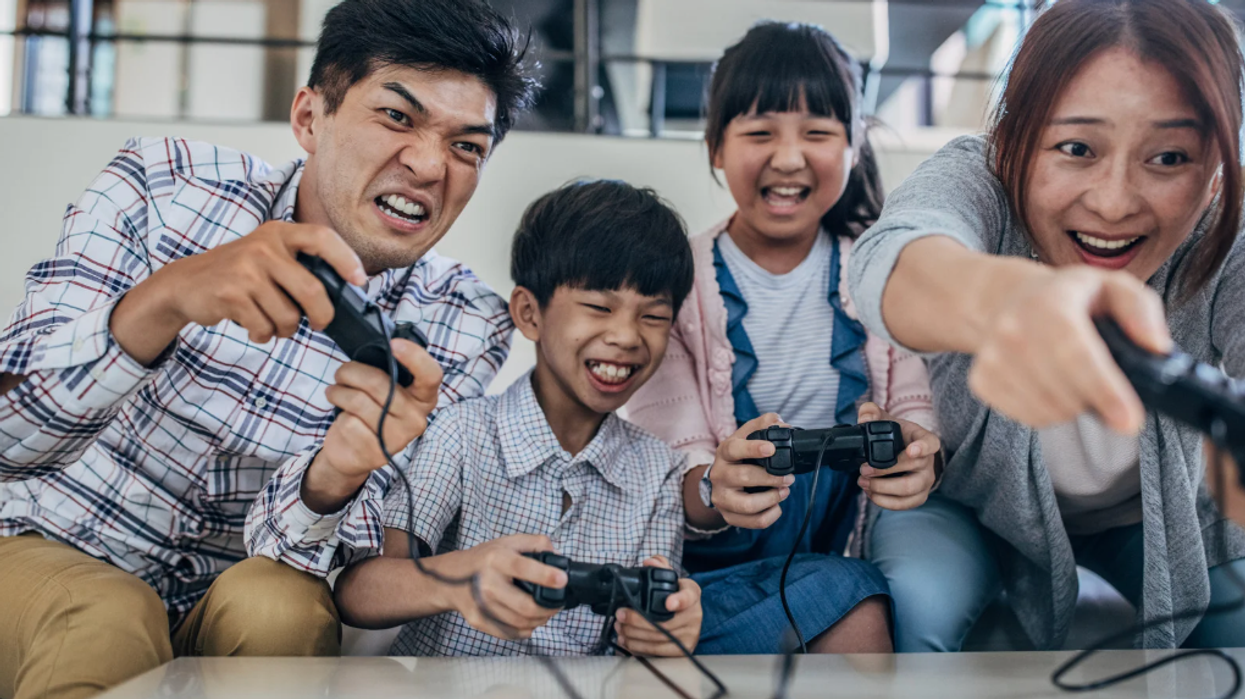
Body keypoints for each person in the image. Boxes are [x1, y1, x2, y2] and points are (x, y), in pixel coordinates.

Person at [0, 1, 536, 696]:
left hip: (233, 587)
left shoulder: (463, 321)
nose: (431, 165)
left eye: (466, 145)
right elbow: (9, 443)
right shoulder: (163, 186)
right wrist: (165, 300)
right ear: (310, 118)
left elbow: (313, 560)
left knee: (280, 608)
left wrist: (337, 472)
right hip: (43, 551)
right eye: (397, 117)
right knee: (105, 611)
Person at [848, 0, 1245, 650]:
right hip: (971, 508)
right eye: (1075, 148)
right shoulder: (974, 176)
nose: (1113, 202)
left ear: (1213, 172)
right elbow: (892, 259)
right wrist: (1004, 301)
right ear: (1012, 139)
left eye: (1169, 157)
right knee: (918, 601)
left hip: (1154, 515)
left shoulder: (1222, 231)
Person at [627, 22, 948, 655]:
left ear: (854, 145)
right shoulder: (677, 279)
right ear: (716, 148)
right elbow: (675, 454)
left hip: (825, 560)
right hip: (694, 568)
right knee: (848, 596)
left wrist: (921, 459)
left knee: (855, 597)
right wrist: (717, 487)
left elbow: (917, 407)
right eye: (759, 131)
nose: (789, 157)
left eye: (819, 133)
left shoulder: (882, 271)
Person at [332, 180, 702, 656]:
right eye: (598, 307)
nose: (627, 336)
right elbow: (358, 591)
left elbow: (645, 635)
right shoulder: (461, 434)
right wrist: (460, 580)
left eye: (654, 316)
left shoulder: (660, 471)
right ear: (529, 313)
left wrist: (666, 631)